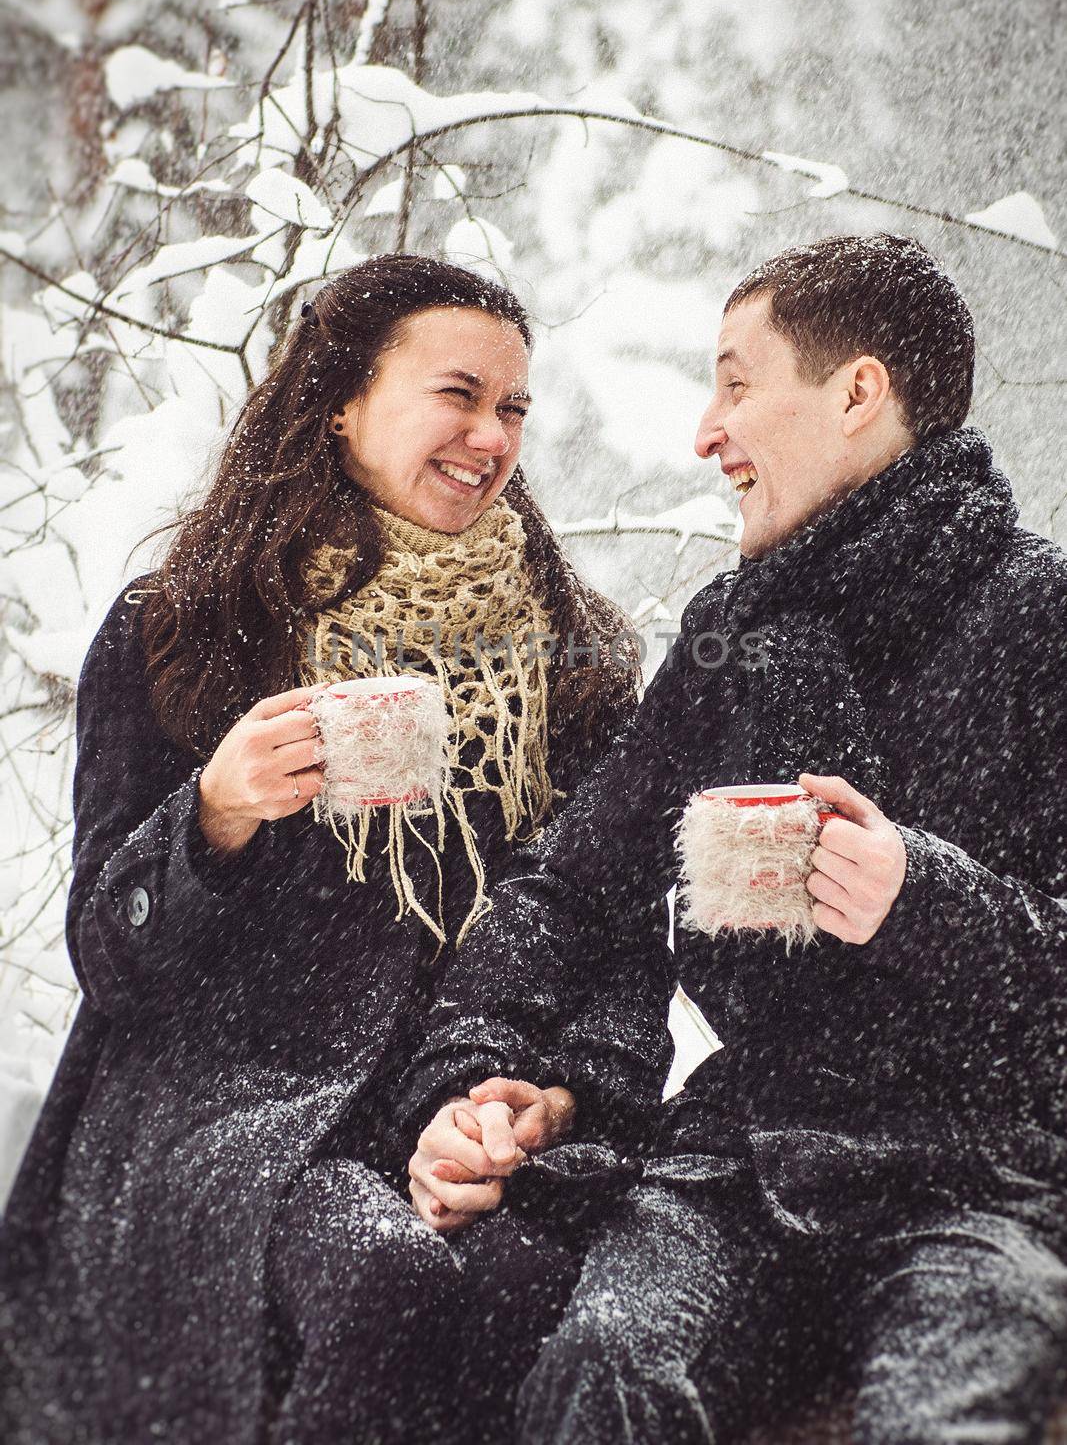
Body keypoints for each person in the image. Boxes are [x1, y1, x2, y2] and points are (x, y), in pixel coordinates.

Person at [402, 234, 1067, 1444]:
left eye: (735, 381)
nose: (704, 432)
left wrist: (923, 897)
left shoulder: (1041, 613)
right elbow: (568, 889)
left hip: (980, 1184)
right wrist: (469, 1077)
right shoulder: (726, 631)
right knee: (604, 1367)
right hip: (739, 1160)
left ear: (857, 393)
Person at [0, 254, 643, 1445]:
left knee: (529, 1297)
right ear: (339, 400)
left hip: (455, 1096)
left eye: (512, 407)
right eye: (457, 393)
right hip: (220, 1117)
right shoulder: (180, 624)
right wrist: (213, 818)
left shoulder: (573, 657)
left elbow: (605, 934)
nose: (489, 436)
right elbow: (109, 950)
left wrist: (543, 1096)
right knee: (381, 1284)